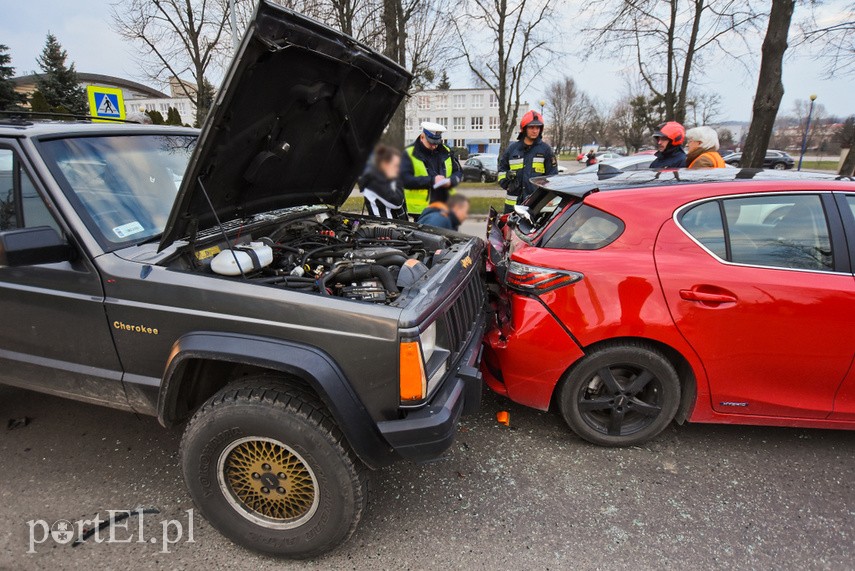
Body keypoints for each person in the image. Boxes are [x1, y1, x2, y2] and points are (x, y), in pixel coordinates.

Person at [498, 110, 558, 213]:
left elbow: (553, 177)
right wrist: (507, 180)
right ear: (524, 129)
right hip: (512, 206)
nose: (535, 131)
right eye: (531, 127)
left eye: (537, 127)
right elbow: (501, 171)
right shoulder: (512, 149)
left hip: (535, 205)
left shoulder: (546, 150)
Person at [400, 121, 462, 220]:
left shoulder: (447, 151)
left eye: (437, 143)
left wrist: (451, 180)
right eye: (431, 142)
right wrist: (432, 180)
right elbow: (405, 180)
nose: (434, 146)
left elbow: (458, 172)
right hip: (422, 211)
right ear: (422, 137)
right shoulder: (409, 153)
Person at [359, 144, 408, 220]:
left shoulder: (387, 178)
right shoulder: (374, 182)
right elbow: (396, 202)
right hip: (384, 228)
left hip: (394, 227)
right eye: (395, 165)